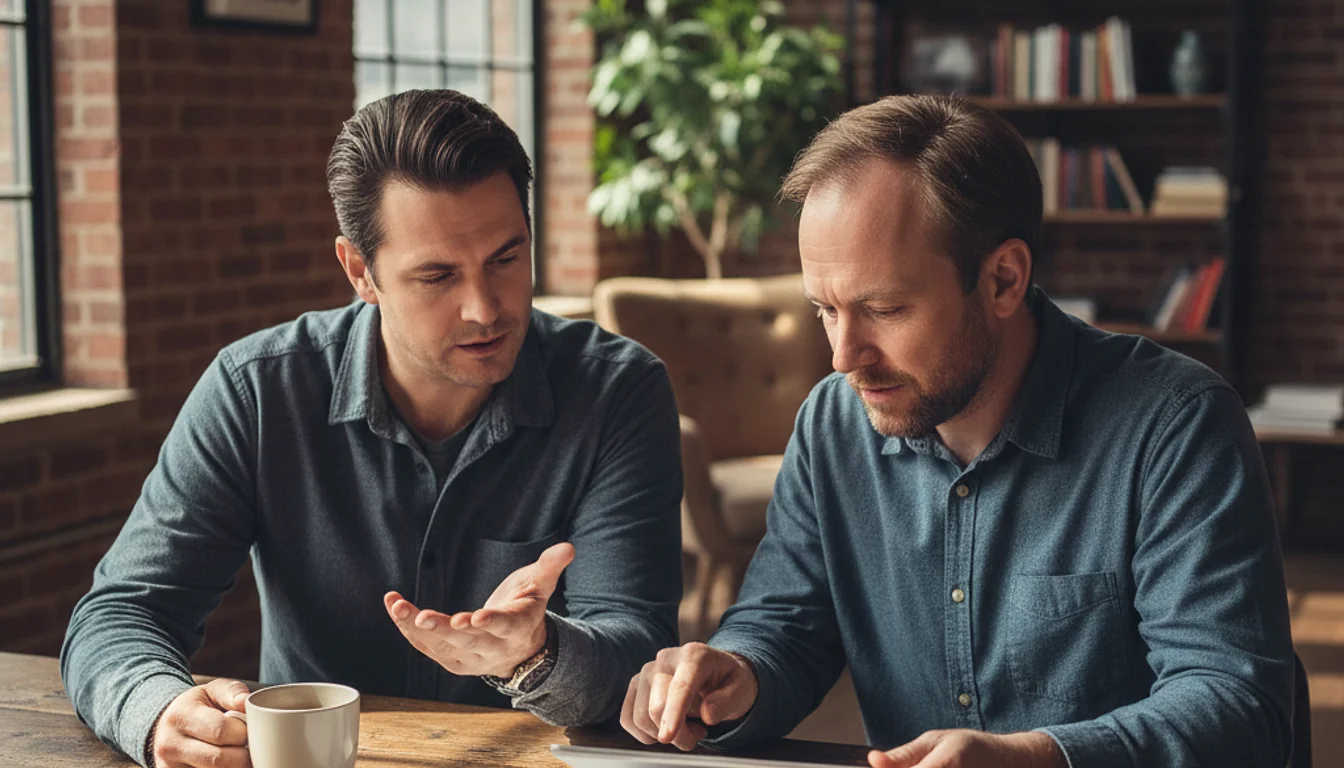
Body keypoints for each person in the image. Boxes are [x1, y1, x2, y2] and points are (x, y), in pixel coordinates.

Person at [620, 95, 1294, 768]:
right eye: (825, 310)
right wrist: (737, 674)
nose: (843, 356)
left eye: (882, 309)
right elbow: (785, 626)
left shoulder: (1175, 426)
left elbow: (1237, 704)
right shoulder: (833, 424)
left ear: (1003, 279)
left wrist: (1038, 759)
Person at [61, 89, 683, 768]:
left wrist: (539, 654)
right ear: (361, 271)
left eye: (506, 259)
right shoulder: (258, 391)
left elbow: (635, 649)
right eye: (438, 275)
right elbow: (121, 614)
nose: (485, 308)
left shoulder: (618, 391)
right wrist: (156, 710)